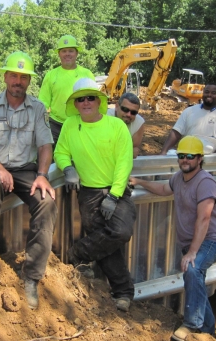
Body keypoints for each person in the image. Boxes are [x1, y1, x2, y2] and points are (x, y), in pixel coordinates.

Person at [0, 51, 57, 310]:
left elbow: (45, 145)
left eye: (23, 77)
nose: (18, 81)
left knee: (46, 201)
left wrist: (42, 175)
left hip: (26, 171)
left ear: (29, 81)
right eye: (14, 75)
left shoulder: (38, 108)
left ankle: (31, 275)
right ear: (6, 77)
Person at [130, 136, 216, 341]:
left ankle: (192, 325)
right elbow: (163, 189)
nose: (185, 160)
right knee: (196, 280)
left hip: (210, 241)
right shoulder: (178, 178)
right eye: (182, 156)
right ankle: (209, 332)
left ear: (199, 159)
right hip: (192, 243)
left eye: (190, 156)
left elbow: (204, 218)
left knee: (192, 270)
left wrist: (192, 252)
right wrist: (139, 182)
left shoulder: (205, 182)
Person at [54, 78, 136, 312]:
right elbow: (61, 152)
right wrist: (67, 168)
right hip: (87, 194)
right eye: (81, 99)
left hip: (116, 190)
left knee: (120, 231)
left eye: (91, 97)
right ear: (76, 104)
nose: (86, 102)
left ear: (99, 101)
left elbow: (124, 162)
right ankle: (123, 293)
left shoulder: (116, 126)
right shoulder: (70, 125)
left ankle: (76, 254)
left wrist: (113, 195)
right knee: (106, 241)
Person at [38, 35, 95, 148]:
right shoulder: (51, 75)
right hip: (55, 126)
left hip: (80, 123)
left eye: (71, 51)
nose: (67, 54)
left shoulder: (87, 74)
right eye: (64, 51)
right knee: (51, 159)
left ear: (76, 53)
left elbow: (94, 100)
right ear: (59, 54)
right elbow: (43, 103)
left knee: (79, 158)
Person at [160, 85, 216, 155]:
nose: (209, 95)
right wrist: (163, 151)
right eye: (207, 92)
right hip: (187, 157)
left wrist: (213, 159)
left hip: (208, 158)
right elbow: (176, 132)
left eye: (213, 93)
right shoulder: (189, 111)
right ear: (203, 94)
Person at [107, 92, 145, 158]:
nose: (128, 114)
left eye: (133, 112)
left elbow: (134, 149)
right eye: (125, 109)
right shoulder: (105, 117)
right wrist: (128, 150)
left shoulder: (139, 123)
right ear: (116, 107)